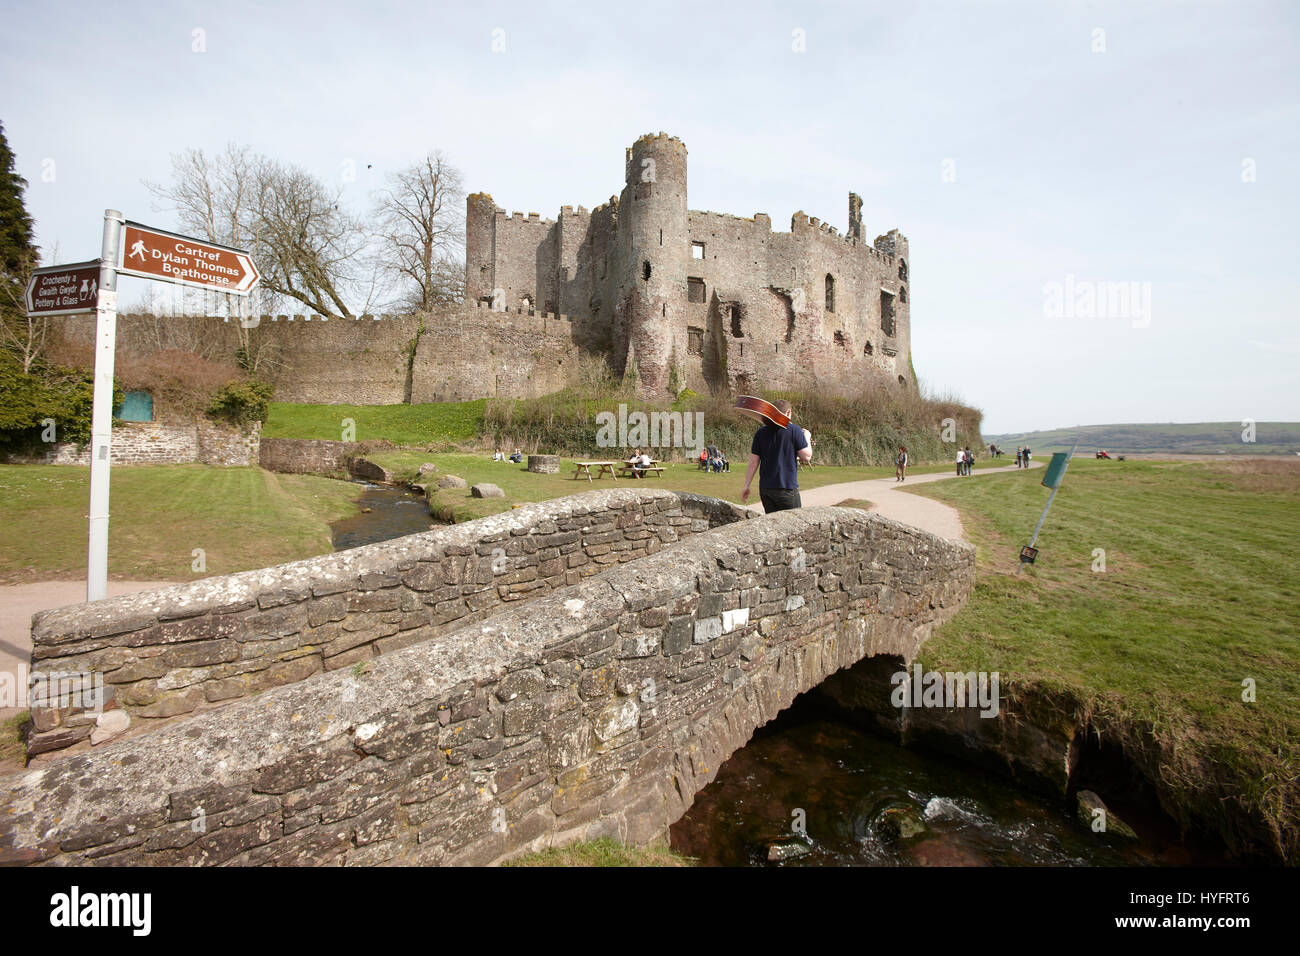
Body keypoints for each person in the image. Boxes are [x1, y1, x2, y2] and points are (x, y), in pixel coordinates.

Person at [741, 399, 810, 513]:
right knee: (793, 526)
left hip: (765, 489)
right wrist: (807, 436)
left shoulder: (761, 432)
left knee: (773, 524)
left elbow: (753, 462)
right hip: (786, 488)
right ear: (788, 413)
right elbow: (806, 457)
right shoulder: (794, 430)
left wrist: (746, 486)